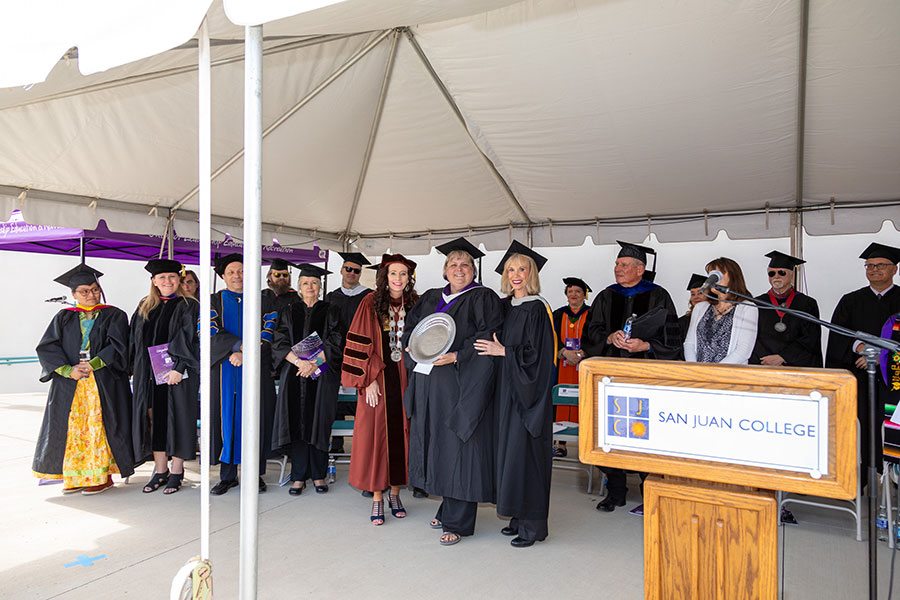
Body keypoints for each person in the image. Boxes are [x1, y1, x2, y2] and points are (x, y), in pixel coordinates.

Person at [402, 237, 504, 545]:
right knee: (438, 444)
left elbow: (488, 338)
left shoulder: (483, 297)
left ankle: (458, 522)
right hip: (430, 384)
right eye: (453, 264)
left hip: (461, 385)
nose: (459, 269)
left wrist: (458, 356)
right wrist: (411, 345)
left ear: (474, 270)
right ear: (445, 270)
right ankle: (448, 506)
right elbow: (412, 328)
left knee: (460, 446)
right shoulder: (432, 296)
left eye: (465, 265)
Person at [583, 240, 681, 513]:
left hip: (645, 378)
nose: (618, 269)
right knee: (610, 433)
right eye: (616, 264)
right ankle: (615, 491)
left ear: (640, 269)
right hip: (611, 379)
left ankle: (649, 488)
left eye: (624, 265)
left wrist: (646, 346)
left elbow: (673, 338)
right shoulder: (605, 296)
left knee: (645, 434)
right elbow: (591, 333)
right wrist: (608, 336)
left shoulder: (659, 296)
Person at [475, 241, 556, 548]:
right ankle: (516, 516)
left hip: (528, 397)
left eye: (522, 268)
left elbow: (538, 356)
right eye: (511, 269)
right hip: (507, 395)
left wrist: (503, 351)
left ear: (531, 273)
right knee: (509, 456)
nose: (516, 274)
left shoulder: (538, 308)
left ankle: (532, 527)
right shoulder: (505, 307)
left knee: (527, 458)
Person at [33, 263, 135, 495]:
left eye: (94, 289)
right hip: (71, 382)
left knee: (100, 425)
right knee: (73, 428)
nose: (91, 295)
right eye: (84, 291)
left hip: (103, 380)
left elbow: (119, 346)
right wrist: (68, 370)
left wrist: (93, 364)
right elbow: (47, 347)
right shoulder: (64, 317)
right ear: (73, 294)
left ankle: (102, 475)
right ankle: (76, 476)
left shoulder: (114, 315)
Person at [342, 254, 419, 524]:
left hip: (407, 379)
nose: (398, 279)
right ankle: (377, 496)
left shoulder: (416, 303)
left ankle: (395, 493)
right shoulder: (370, 302)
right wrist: (369, 379)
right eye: (393, 273)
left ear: (409, 278)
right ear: (384, 277)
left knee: (403, 434)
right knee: (376, 436)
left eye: (403, 274)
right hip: (378, 379)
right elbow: (359, 344)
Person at [826, 242, 900, 477]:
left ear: (894, 270)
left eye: (881, 265)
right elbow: (838, 334)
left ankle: (894, 477)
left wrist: (883, 357)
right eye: (869, 265)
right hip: (859, 376)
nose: (874, 269)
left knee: (894, 426)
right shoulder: (851, 300)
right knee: (864, 424)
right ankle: (868, 473)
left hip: (895, 380)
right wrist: (860, 348)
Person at [208, 253, 278, 495]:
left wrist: (245, 354)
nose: (237, 275)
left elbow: (269, 330)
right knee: (226, 420)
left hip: (255, 369)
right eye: (231, 272)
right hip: (224, 370)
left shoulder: (264, 301)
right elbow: (208, 330)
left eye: (241, 270)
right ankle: (227, 476)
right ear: (223, 276)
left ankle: (254, 474)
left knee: (255, 418)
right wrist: (236, 347)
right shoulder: (213, 301)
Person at [271, 264, 344, 496]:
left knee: (318, 422)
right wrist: (299, 362)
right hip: (294, 374)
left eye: (314, 283)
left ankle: (319, 474)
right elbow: (279, 342)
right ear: (299, 287)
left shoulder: (331, 310)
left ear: (320, 286)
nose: (310, 287)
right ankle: (299, 475)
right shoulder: (289, 310)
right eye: (305, 283)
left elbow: (336, 341)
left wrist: (315, 363)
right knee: (297, 423)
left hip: (321, 374)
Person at [129, 259, 201, 495]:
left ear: (179, 280)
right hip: (149, 375)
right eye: (162, 278)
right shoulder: (144, 306)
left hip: (178, 374)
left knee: (179, 417)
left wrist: (179, 367)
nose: (167, 281)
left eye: (172, 277)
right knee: (155, 419)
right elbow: (134, 341)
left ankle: (178, 470)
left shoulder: (189, 305)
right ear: (153, 281)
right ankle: (160, 470)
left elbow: (189, 339)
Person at [325, 251, 373, 458]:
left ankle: (362, 442)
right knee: (336, 396)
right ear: (341, 270)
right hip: (336, 356)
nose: (352, 273)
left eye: (356, 270)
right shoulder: (330, 297)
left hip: (360, 356)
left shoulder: (369, 296)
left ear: (360, 273)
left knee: (360, 397)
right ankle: (336, 443)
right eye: (348, 269)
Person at [750, 251, 822, 368]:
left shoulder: (807, 304)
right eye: (771, 273)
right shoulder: (757, 303)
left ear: (792, 274)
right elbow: (751, 336)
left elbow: (810, 338)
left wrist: (783, 357)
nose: (776, 277)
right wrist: (768, 360)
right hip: (764, 364)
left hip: (795, 367)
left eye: (782, 273)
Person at [684, 257, 758, 365]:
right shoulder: (701, 308)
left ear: (732, 277)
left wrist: (716, 371)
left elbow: (743, 350)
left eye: (717, 274)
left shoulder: (747, 308)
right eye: (711, 275)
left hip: (729, 374)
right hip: (699, 374)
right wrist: (694, 368)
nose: (713, 278)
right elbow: (689, 343)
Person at [551, 277, 591, 457]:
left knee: (584, 400)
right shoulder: (558, 314)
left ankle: (586, 442)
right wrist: (563, 352)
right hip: (562, 364)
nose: (573, 295)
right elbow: (551, 337)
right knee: (560, 399)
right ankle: (561, 443)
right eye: (570, 291)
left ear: (584, 295)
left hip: (584, 366)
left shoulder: (593, 314)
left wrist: (582, 353)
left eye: (577, 292)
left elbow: (597, 337)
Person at [678, 273, 708, 343]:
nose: (696, 297)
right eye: (693, 294)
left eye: (700, 293)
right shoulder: (682, 322)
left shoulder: (718, 319)